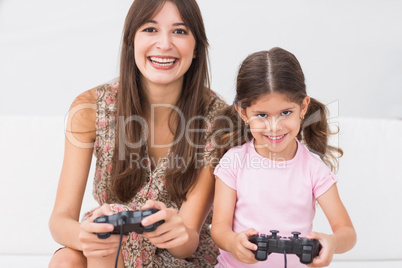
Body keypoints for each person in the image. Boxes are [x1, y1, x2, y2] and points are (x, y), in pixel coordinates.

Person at [48, 0, 227, 267]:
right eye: (150, 29)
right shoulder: (90, 108)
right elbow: (60, 220)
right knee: (66, 259)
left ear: (197, 48)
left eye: (179, 31)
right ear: (131, 40)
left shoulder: (219, 120)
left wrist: (173, 231)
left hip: (178, 256)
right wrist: (85, 234)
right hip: (108, 244)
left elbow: (187, 240)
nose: (164, 44)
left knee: (106, 248)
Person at [210, 47, 356, 268]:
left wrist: (332, 242)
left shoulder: (313, 168)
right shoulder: (233, 162)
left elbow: (347, 232)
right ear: (243, 113)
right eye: (262, 115)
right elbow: (219, 227)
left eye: (285, 113)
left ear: (303, 107)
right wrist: (233, 242)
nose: (274, 127)